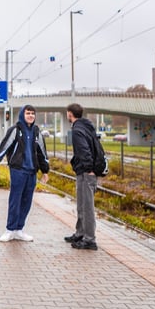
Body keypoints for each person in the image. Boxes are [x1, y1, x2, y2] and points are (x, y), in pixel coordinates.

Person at [0, 105, 50, 242]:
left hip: (32, 171)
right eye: (28, 113)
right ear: (23, 114)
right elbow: (4, 147)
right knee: (15, 200)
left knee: (27, 201)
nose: (31, 115)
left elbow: (42, 152)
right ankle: (10, 229)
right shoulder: (15, 130)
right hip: (18, 170)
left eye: (33, 113)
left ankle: (19, 230)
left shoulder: (37, 132)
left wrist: (45, 170)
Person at [65, 103, 99, 250]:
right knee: (82, 204)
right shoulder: (86, 126)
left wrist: (89, 168)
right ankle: (80, 233)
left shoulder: (78, 130)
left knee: (87, 206)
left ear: (70, 114)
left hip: (86, 172)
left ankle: (90, 239)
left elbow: (84, 151)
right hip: (84, 170)